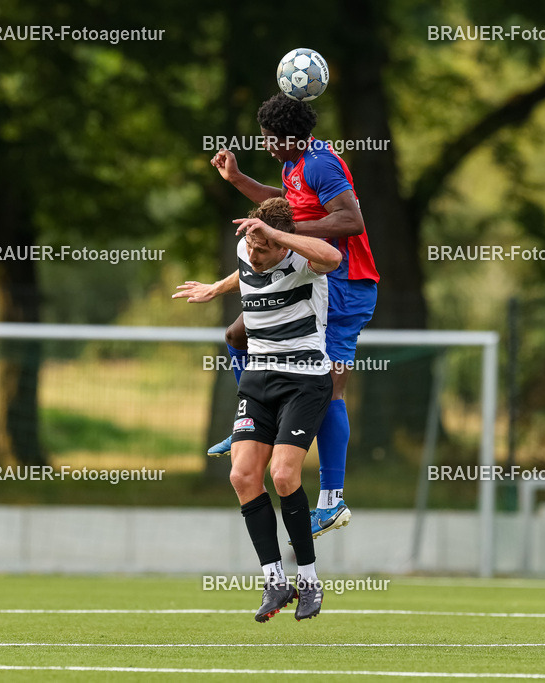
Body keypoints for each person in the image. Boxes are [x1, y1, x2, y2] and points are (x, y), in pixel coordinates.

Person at [205, 94, 379, 540]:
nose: (266, 146)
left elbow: (351, 221)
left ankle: (331, 499)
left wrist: (284, 233)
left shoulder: (321, 164)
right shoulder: (293, 162)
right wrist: (239, 178)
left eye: (269, 139)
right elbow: (284, 208)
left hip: (345, 284)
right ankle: (248, 425)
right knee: (237, 334)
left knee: (331, 386)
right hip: (314, 277)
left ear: (289, 138)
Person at [173, 197, 341, 621]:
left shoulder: (304, 261)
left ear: (284, 244)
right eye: (250, 243)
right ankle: (274, 581)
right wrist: (216, 288)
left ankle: (309, 581)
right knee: (242, 475)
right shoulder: (248, 247)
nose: (254, 254)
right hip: (258, 379)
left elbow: (334, 255)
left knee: (283, 475)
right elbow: (246, 271)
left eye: (263, 247)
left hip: (304, 380)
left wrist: (280, 236)